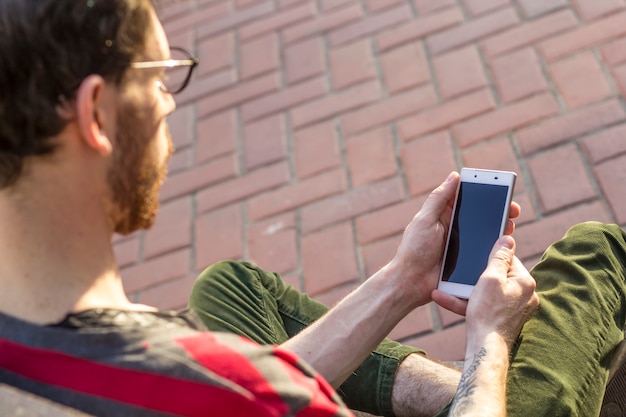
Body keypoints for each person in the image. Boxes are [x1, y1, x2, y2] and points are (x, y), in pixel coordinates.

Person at [0, 1, 623, 416]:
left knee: (227, 286)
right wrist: (489, 340)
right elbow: (232, 392)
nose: (167, 103)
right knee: (598, 249)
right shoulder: (221, 387)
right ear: (96, 113)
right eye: (160, 77)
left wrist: (406, 280)